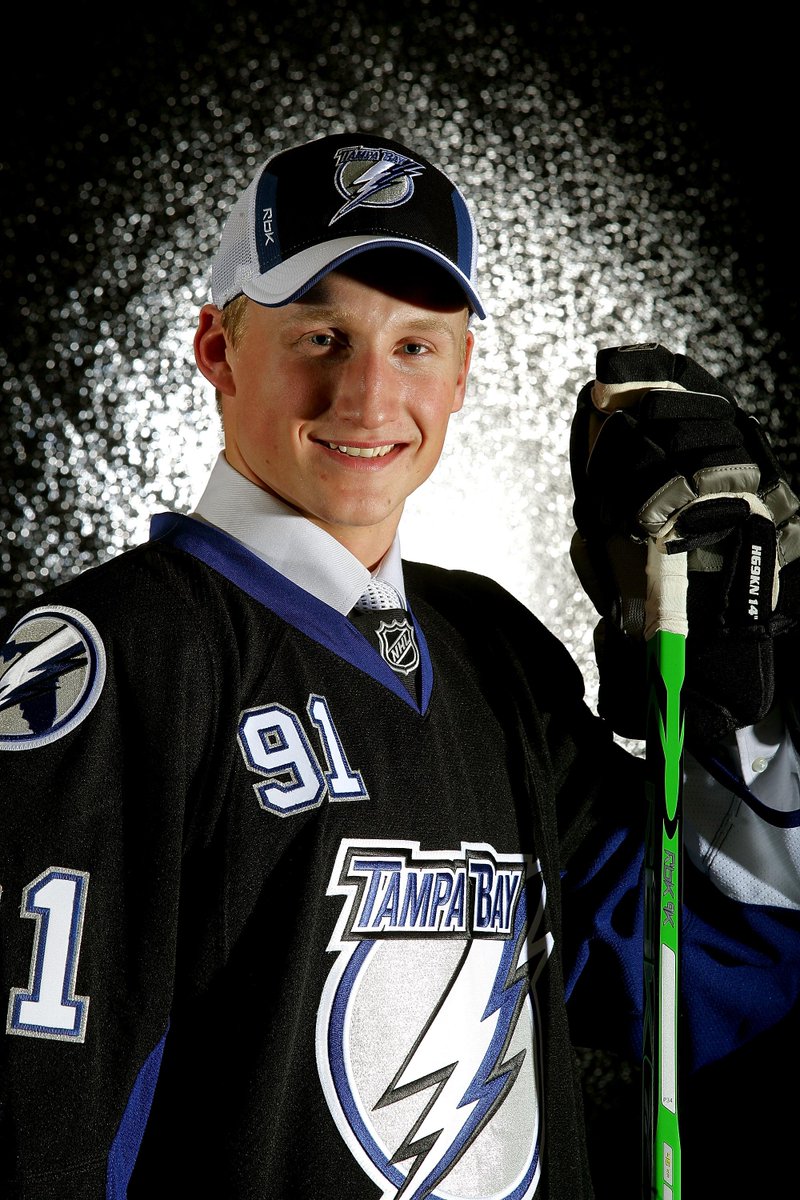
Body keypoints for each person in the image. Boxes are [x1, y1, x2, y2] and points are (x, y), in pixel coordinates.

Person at [0, 131, 797, 1199]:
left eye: (414, 347)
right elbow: (36, 1128)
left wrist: (718, 677)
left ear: (464, 371)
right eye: (320, 336)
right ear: (216, 350)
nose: (367, 401)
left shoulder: (491, 653)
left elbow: (716, 974)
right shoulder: (110, 660)